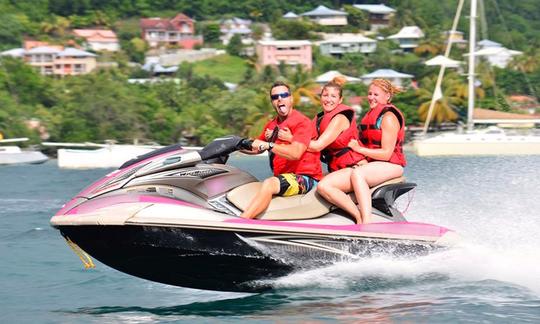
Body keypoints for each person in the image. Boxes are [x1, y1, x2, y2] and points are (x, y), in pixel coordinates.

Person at [276, 76, 367, 223]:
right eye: (325, 95)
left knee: (323, 187)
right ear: (320, 97)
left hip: (355, 168)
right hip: (339, 170)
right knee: (308, 181)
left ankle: (359, 219)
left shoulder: (340, 119)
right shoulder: (319, 119)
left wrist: (290, 138)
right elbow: (305, 140)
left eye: (333, 96)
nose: (328, 99)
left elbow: (318, 146)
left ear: (340, 100)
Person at [240, 81, 323, 219]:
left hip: (306, 178)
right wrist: (236, 145)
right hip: (284, 178)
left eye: (284, 95)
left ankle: (241, 222)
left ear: (291, 99)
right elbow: (257, 148)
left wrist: (270, 145)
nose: (279, 99)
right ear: (272, 102)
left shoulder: (302, 122)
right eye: (275, 97)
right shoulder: (271, 125)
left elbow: (296, 153)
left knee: (269, 183)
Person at [347, 78, 407, 224]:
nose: (371, 98)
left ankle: (366, 222)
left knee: (358, 174)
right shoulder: (370, 115)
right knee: (329, 183)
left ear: (387, 96)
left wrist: (359, 149)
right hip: (374, 165)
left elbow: (386, 153)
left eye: (376, 94)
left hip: (392, 165)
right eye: (370, 94)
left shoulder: (388, 117)